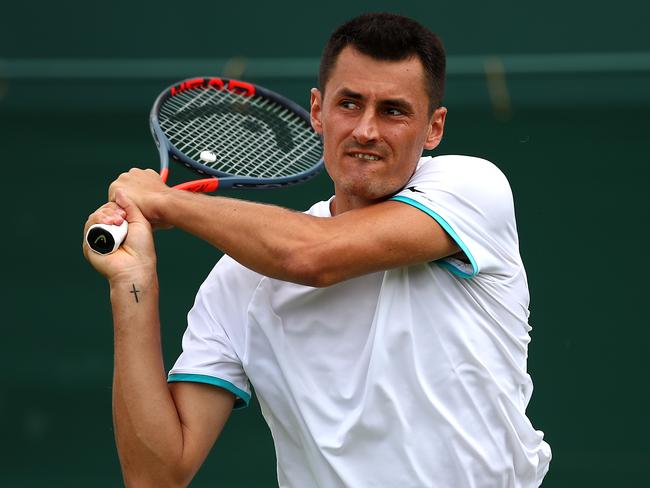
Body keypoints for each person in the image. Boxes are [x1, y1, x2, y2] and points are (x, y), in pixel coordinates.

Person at [83, 12, 551, 488]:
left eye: (393, 111)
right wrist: (131, 282)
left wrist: (167, 201)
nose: (366, 130)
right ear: (317, 110)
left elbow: (311, 256)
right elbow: (154, 476)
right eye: (350, 104)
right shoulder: (239, 280)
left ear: (433, 128)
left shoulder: (473, 189)